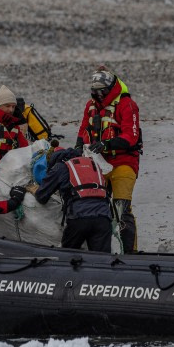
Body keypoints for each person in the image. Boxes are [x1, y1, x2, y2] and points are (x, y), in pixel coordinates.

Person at [75, 66, 141, 252]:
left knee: (121, 209)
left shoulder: (127, 105)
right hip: (97, 163)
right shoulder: (91, 106)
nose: (99, 95)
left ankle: (130, 253)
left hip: (123, 163)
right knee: (95, 208)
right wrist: (79, 146)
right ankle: (99, 250)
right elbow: (83, 129)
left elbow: (131, 137)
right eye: (96, 92)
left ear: (111, 88)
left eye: (102, 91)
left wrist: (107, 144)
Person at [34, 147, 113, 252]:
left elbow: (41, 197)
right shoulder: (93, 164)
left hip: (79, 218)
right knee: (103, 261)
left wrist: (34, 189)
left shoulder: (61, 167)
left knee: (68, 258)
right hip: (104, 218)